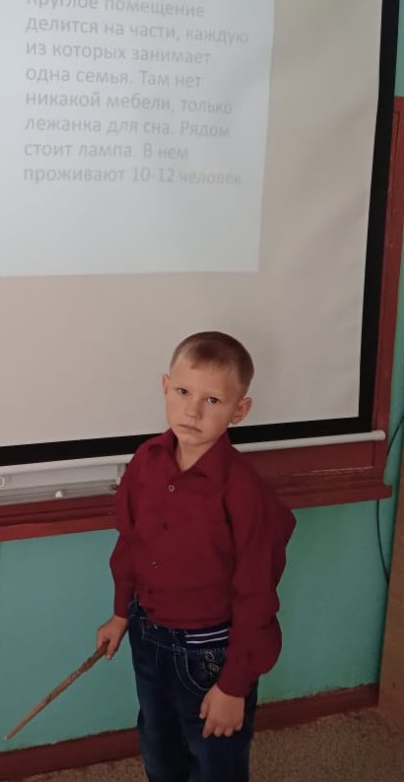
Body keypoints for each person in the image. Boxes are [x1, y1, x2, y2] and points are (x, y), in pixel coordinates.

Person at [97, 331, 295, 782]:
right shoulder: (146, 461)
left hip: (209, 654)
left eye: (213, 400)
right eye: (184, 392)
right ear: (165, 386)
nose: (192, 411)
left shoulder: (245, 493)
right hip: (148, 636)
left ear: (239, 410)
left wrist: (233, 686)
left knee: (214, 758)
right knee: (159, 748)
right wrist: (121, 613)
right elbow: (130, 544)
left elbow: (257, 595)